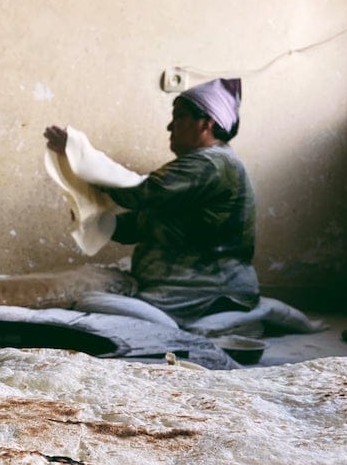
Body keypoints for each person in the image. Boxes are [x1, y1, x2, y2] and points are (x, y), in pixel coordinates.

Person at [44, 78, 260, 327]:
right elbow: (145, 221)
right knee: (86, 299)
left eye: (179, 117)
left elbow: (142, 192)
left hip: (206, 290)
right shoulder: (199, 166)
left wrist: (79, 154)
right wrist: (94, 218)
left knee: (87, 304)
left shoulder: (212, 163)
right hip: (184, 288)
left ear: (206, 123)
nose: (170, 126)